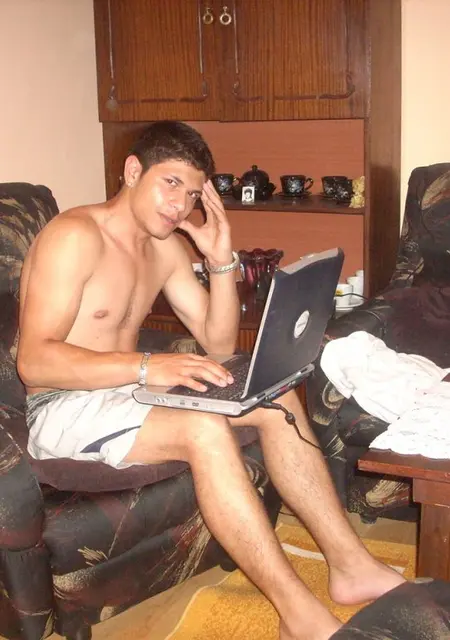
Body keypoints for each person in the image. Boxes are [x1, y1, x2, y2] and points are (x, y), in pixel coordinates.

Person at [17, 121, 404, 640]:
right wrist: (148, 366)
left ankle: (350, 565)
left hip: (128, 393)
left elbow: (218, 342)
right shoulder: (75, 237)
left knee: (275, 398)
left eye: (194, 193)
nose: (181, 205)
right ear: (132, 171)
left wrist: (221, 263)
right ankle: (298, 615)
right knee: (205, 430)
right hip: (64, 407)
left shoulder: (165, 249)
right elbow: (34, 362)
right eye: (171, 183)